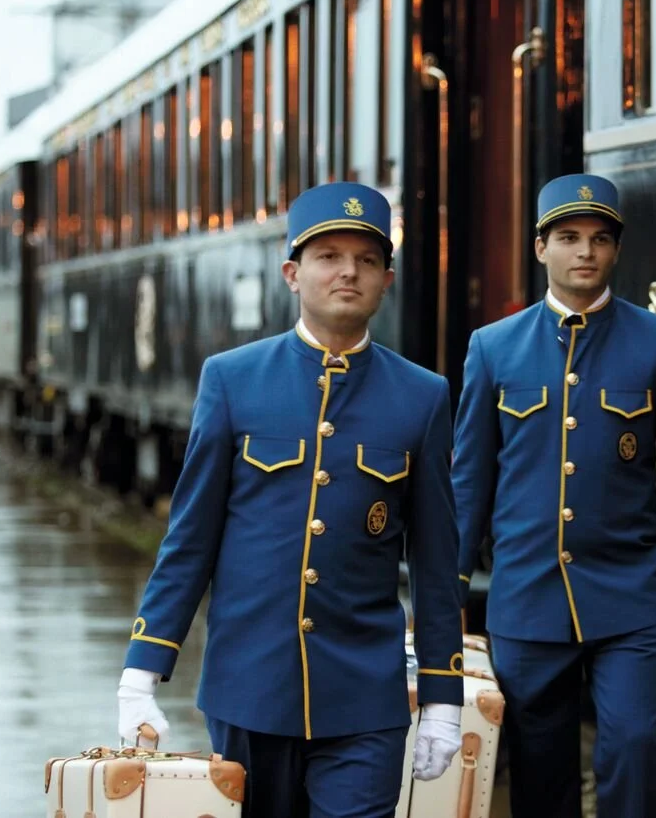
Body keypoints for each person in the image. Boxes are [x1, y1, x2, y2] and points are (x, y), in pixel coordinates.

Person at [116, 181, 465, 818]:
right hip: (250, 687)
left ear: (387, 278)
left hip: (366, 697)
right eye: (328, 256)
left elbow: (438, 563)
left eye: (365, 259)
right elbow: (189, 540)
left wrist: (443, 698)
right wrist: (141, 673)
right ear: (291, 272)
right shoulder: (231, 379)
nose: (348, 272)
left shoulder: (423, 395)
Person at [451, 173, 656, 818]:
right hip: (527, 598)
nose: (585, 252)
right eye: (568, 237)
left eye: (600, 239)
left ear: (617, 251)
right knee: (541, 772)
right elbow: (469, 480)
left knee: (635, 747)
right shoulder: (492, 348)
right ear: (541, 248)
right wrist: (445, 589)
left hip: (630, 598)